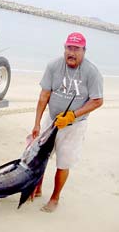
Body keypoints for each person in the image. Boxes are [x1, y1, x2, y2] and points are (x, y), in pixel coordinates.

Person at [30, 32, 103, 212]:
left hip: (74, 126)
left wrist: (72, 115)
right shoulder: (54, 66)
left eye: (76, 49)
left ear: (84, 51)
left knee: (63, 163)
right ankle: (37, 188)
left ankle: (55, 198)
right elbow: (44, 95)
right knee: (40, 157)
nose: (72, 53)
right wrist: (37, 123)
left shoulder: (92, 72)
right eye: (69, 48)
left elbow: (97, 100)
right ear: (64, 49)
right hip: (51, 120)